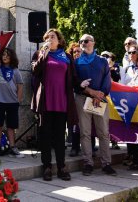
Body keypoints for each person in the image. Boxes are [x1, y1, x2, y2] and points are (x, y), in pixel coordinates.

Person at [31, 29, 88, 181]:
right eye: (47, 37)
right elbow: (35, 71)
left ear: (59, 40)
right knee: (45, 136)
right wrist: (44, 53)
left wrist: (80, 84)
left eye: (52, 36)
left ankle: (62, 167)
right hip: (46, 101)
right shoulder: (40, 54)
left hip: (62, 102)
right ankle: (47, 167)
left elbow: (73, 77)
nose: (49, 39)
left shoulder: (67, 57)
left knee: (59, 137)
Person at [74, 34, 116, 176]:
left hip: (100, 99)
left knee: (103, 132)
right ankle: (88, 163)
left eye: (86, 41)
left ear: (93, 42)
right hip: (82, 99)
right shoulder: (76, 62)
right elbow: (75, 82)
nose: (83, 43)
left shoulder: (102, 61)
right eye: (81, 41)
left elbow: (107, 80)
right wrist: (90, 92)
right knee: (85, 132)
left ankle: (106, 163)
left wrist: (100, 94)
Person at [0, 48, 24, 159]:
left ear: (12, 57)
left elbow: (20, 86)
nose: (5, 57)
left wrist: (18, 100)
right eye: (3, 55)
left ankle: (13, 148)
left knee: (11, 126)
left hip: (12, 102)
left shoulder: (16, 71)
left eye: (8, 55)